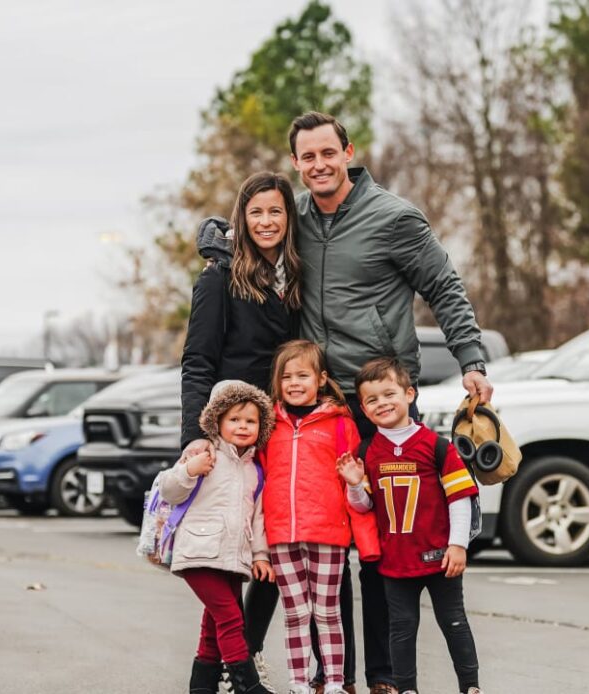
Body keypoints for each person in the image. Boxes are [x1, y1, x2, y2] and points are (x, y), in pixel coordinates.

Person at [287, 111, 493, 693]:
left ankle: (383, 676)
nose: (320, 165)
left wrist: (471, 359)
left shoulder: (394, 218)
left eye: (329, 153)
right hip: (322, 407)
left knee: (382, 548)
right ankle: (335, 677)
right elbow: (256, 225)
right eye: (307, 157)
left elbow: (443, 285)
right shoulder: (296, 214)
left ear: (348, 152)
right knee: (327, 548)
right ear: (297, 164)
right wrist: (217, 236)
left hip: (381, 402)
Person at [180, 171, 302, 691]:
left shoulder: (298, 277)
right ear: (241, 220)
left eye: (276, 211)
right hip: (233, 436)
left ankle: (221, 672)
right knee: (226, 564)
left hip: (284, 431)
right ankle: (241, 670)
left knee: (268, 552)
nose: (266, 221)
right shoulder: (218, 278)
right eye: (256, 213)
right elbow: (197, 361)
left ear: (288, 218)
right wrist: (197, 435)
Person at [338, 357, 482, 694]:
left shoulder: (436, 446)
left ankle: (471, 687)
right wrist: (356, 484)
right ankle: (407, 688)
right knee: (401, 629)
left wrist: (458, 545)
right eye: (372, 399)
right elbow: (364, 506)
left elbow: (459, 497)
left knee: (454, 622)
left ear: (409, 394)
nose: (382, 403)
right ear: (363, 407)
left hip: (439, 557)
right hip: (395, 560)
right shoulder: (367, 450)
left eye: (389, 394)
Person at [260, 340, 375, 694]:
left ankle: (336, 682)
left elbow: (354, 483)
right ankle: (298, 683)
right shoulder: (269, 426)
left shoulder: (341, 425)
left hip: (328, 533)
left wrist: (357, 494)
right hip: (281, 533)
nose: (294, 383)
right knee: (295, 614)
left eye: (302, 375)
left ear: (321, 379)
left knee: (327, 614)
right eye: (286, 377)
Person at [160, 380, 277, 694]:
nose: (242, 426)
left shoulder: (255, 470)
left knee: (213, 623)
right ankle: (247, 685)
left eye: (250, 421)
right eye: (234, 419)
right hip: (198, 553)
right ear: (218, 422)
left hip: (232, 557)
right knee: (230, 618)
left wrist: (261, 555)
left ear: (261, 426)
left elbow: (258, 519)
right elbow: (169, 491)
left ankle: (202, 686)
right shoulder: (203, 453)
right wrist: (189, 470)